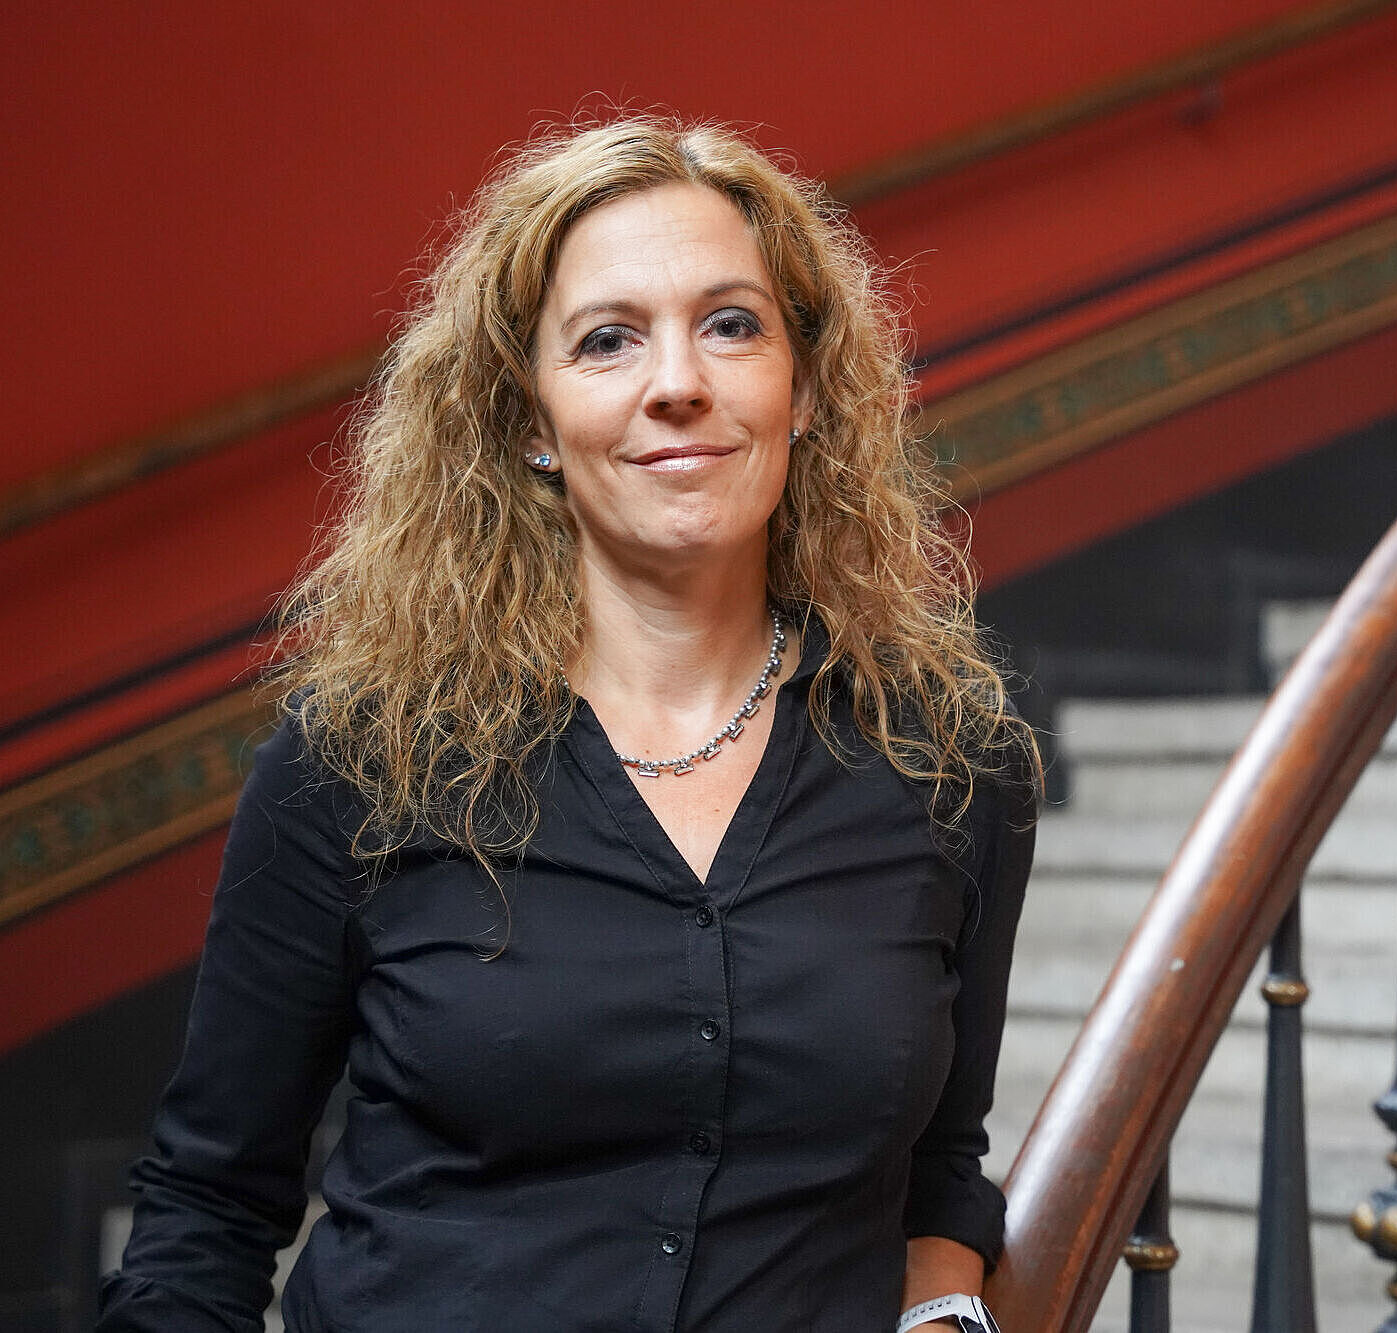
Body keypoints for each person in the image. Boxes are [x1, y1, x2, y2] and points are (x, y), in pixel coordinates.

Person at [96, 117, 1039, 1332]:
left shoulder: (949, 760)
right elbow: (206, 1209)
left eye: (731, 325)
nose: (678, 381)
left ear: (801, 389)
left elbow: (938, 1163)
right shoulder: (361, 760)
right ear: (532, 425)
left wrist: (944, 1307)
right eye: (607, 340)